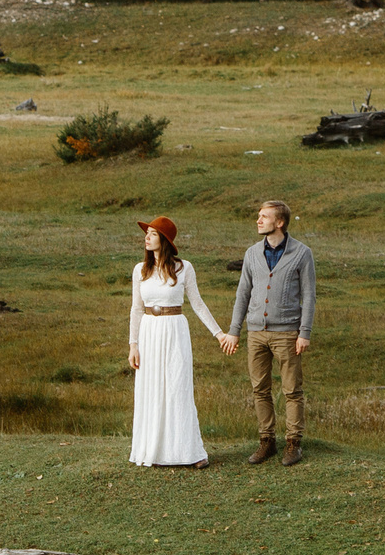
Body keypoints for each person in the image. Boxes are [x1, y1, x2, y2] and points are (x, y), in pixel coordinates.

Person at [126, 215, 232, 467]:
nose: (146, 237)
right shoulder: (140, 270)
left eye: (152, 233)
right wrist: (133, 345)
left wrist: (219, 334)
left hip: (175, 331)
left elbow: (197, 303)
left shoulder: (184, 268)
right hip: (149, 332)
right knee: (151, 389)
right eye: (147, 233)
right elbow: (136, 309)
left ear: (164, 240)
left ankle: (190, 453)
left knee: (177, 387)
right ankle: (154, 451)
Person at [229, 198, 315, 465]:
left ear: (280, 222)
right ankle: (267, 441)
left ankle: (293, 444)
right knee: (260, 389)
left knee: (292, 390)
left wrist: (305, 332)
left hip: (288, 333)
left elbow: (309, 296)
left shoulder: (302, 253)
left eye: (264, 217)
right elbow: (242, 293)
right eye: (258, 216)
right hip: (256, 333)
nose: (258, 220)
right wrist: (234, 331)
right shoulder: (252, 253)